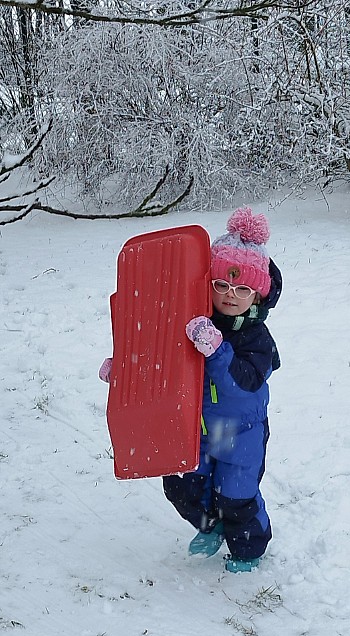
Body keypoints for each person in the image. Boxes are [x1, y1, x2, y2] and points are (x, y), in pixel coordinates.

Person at [100, 207, 282, 573]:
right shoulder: (192, 320)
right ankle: (210, 527)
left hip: (239, 435)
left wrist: (217, 350)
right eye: (221, 285)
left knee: (236, 497)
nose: (230, 295)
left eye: (242, 289)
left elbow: (243, 385)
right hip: (191, 429)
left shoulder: (257, 339)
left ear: (257, 296)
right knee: (181, 487)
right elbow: (160, 354)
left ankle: (248, 550)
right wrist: (125, 370)